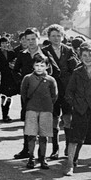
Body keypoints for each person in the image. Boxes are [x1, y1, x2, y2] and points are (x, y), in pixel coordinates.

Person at [12, 28, 60, 159]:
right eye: (28, 40)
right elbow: (15, 71)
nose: (31, 42)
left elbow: (56, 71)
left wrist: (46, 81)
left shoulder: (45, 53)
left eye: (33, 39)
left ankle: (48, 151)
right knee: (29, 122)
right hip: (29, 96)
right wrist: (22, 83)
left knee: (47, 123)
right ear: (24, 41)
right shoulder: (22, 54)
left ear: (38, 39)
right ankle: (26, 150)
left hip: (45, 96)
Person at [45, 24, 79, 159]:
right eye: (53, 36)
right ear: (49, 37)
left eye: (59, 35)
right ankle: (55, 149)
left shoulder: (69, 50)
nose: (56, 38)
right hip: (51, 89)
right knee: (54, 119)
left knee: (67, 119)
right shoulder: (44, 51)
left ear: (63, 37)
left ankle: (67, 148)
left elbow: (75, 69)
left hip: (67, 89)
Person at [64, 42, 91, 175]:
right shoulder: (77, 72)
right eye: (84, 55)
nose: (88, 58)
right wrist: (77, 105)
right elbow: (69, 93)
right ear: (80, 57)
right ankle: (70, 165)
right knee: (74, 139)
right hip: (80, 111)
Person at [21, 53, 58, 169]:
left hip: (46, 109)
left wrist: (47, 104)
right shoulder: (27, 78)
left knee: (44, 135)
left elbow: (54, 95)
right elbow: (23, 93)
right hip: (31, 109)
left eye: (42, 65)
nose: (39, 68)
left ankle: (43, 157)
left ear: (47, 66)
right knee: (31, 134)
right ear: (33, 66)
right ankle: (31, 157)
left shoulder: (51, 80)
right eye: (37, 65)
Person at [0, 37, 18, 122]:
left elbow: (16, 63)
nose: (4, 45)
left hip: (10, 78)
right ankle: (0, 115)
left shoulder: (12, 53)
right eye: (3, 43)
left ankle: (6, 114)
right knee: (1, 96)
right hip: (1, 77)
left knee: (8, 97)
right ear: (0, 44)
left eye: (6, 43)